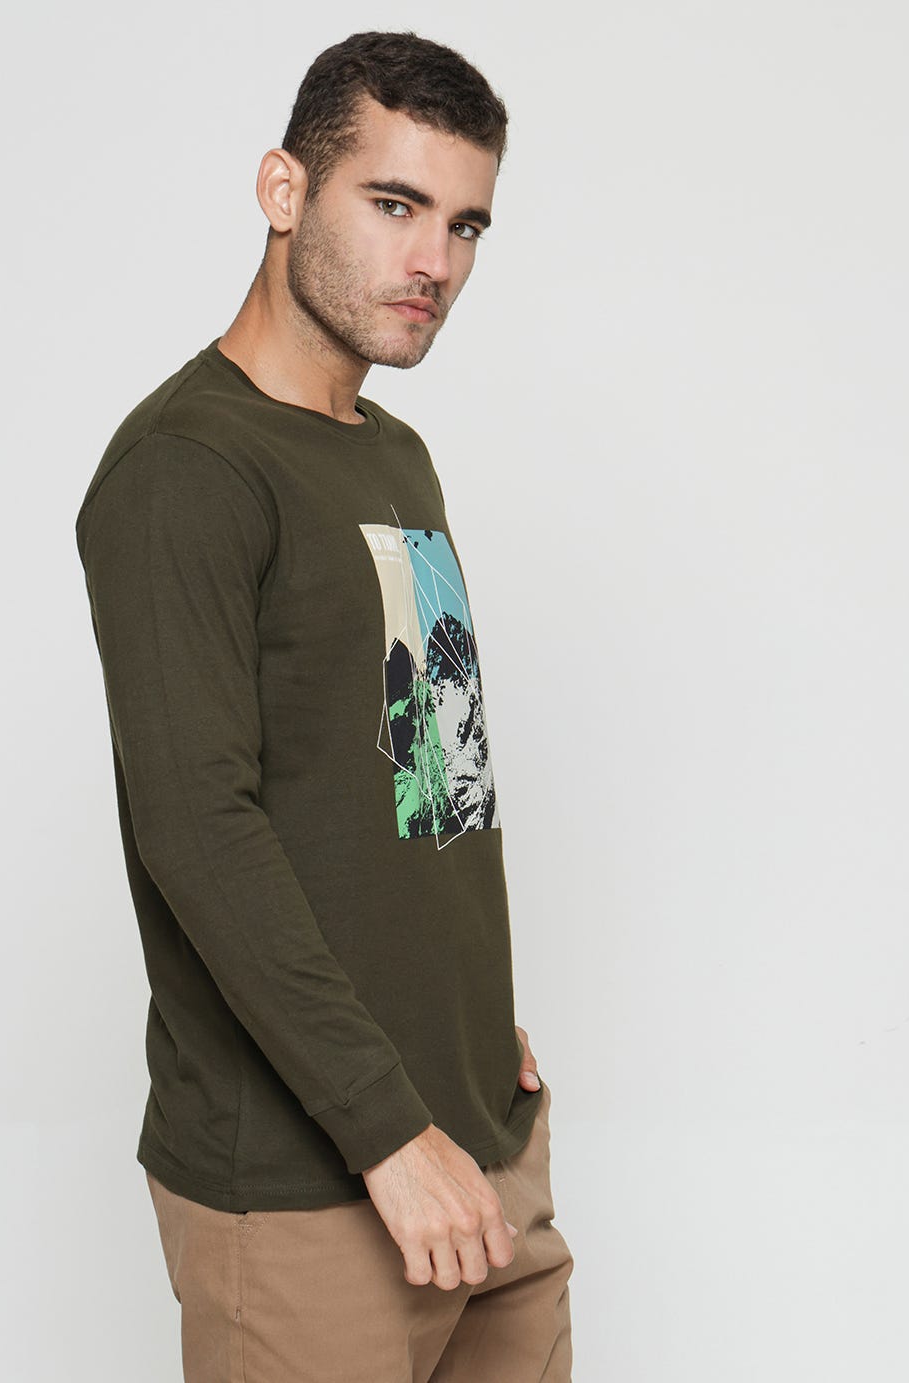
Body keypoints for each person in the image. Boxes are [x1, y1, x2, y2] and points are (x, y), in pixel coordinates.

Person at [75, 28, 573, 1383]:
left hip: (480, 1144)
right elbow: (198, 828)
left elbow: (433, 780)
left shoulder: (396, 456)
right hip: (316, 1186)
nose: (436, 262)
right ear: (283, 190)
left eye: (466, 224)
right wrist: (386, 1131)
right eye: (395, 204)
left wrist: (468, 1037)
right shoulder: (188, 469)